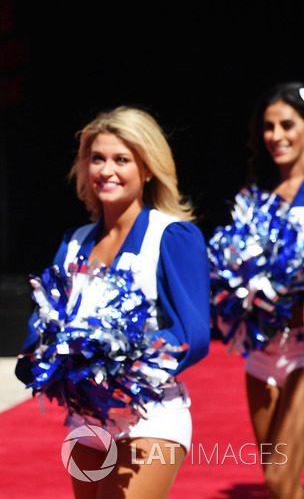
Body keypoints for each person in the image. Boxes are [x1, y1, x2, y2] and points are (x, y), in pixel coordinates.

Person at [19, 107, 210, 499]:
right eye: (97, 158)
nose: (106, 170)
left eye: (122, 160)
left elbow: (195, 336)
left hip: (149, 416)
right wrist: (41, 356)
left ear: (148, 168)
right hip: (85, 421)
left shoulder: (173, 236)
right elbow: (45, 319)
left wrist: (124, 366)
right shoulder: (75, 241)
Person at [218, 82, 304, 499]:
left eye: (287, 124)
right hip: (261, 352)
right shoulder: (255, 197)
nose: (276, 136)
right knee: (279, 483)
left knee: (278, 479)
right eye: (268, 127)